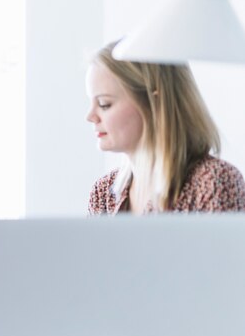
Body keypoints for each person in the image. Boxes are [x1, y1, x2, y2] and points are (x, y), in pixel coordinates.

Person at [85, 40, 245, 215]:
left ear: (155, 104)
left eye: (104, 104)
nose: (90, 116)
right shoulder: (103, 194)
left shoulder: (214, 182)